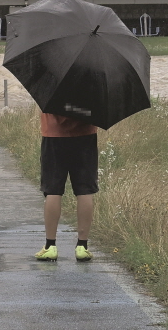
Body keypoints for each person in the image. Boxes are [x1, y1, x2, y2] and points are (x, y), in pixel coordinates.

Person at [33, 111, 98, 262]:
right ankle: (82, 246)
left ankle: (50, 246)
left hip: (53, 134)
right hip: (85, 134)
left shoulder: (51, 86)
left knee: (53, 190)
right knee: (84, 190)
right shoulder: (92, 86)